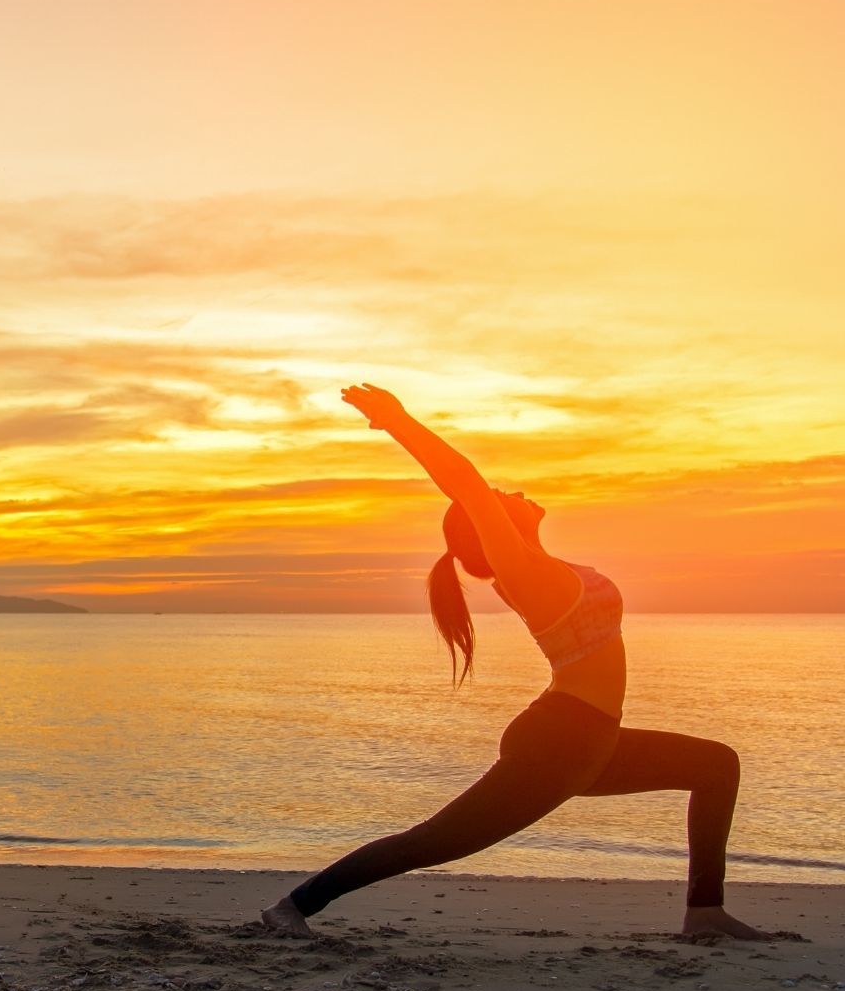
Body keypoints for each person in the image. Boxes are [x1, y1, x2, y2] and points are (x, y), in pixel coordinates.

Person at [263, 383, 767, 940]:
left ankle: (705, 914)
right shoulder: (527, 575)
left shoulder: (545, 568)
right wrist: (399, 421)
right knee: (433, 842)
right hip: (560, 744)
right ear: (491, 528)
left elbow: (479, 495)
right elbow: (465, 483)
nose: (513, 491)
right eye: (501, 497)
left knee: (716, 765)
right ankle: (293, 906)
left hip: (591, 739)